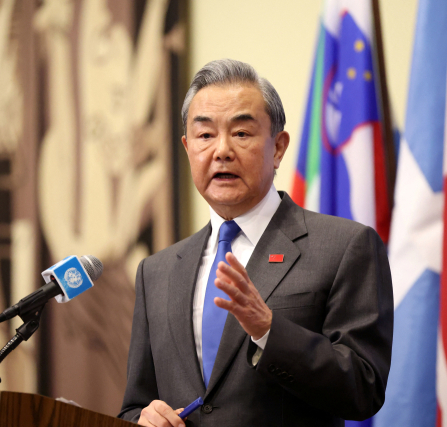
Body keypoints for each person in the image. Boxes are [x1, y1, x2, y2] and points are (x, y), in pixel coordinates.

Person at [118, 59, 393, 427]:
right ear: (187, 148)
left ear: (278, 148)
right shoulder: (157, 272)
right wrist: (143, 419)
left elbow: (364, 388)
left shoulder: (345, 247)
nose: (222, 151)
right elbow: (135, 404)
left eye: (242, 133)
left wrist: (269, 330)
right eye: (204, 135)